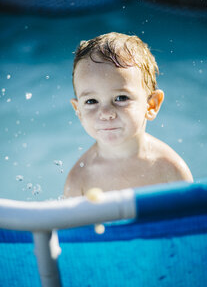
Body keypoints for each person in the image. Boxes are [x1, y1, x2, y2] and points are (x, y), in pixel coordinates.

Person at [64, 32, 193, 197]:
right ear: (78, 111)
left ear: (151, 105)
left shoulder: (170, 169)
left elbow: (193, 221)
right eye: (91, 101)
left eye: (121, 98)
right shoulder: (79, 180)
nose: (106, 113)